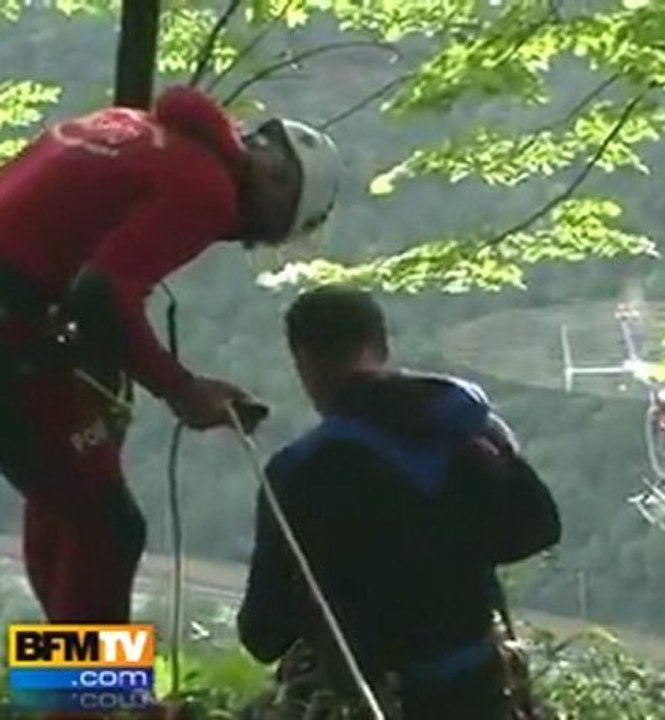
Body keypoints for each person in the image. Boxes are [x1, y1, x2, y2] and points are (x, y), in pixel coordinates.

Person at [0, 85, 342, 624]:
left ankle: (69, 671)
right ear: (280, 185)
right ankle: (93, 679)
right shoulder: (207, 189)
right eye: (269, 228)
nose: (244, 236)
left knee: (72, 504)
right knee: (109, 529)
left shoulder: (128, 125)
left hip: (21, 325)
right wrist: (181, 390)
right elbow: (101, 296)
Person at [237, 286, 562, 720]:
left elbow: (263, 633)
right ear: (383, 346)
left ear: (303, 361)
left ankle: (126, 697)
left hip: (374, 700)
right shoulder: (467, 428)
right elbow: (540, 528)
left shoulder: (298, 471)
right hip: (480, 691)